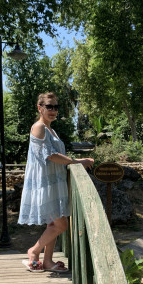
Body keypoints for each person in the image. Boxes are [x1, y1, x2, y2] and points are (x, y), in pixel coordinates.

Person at [18, 92, 94, 273]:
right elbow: (50, 156)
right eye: (49, 106)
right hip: (45, 184)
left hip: (54, 183)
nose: (53, 110)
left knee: (52, 225)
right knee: (61, 225)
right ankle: (33, 251)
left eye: (56, 107)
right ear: (40, 108)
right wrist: (78, 162)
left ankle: (48, 261)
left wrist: (74, 161)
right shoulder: (39, 127)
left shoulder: (51, 129)